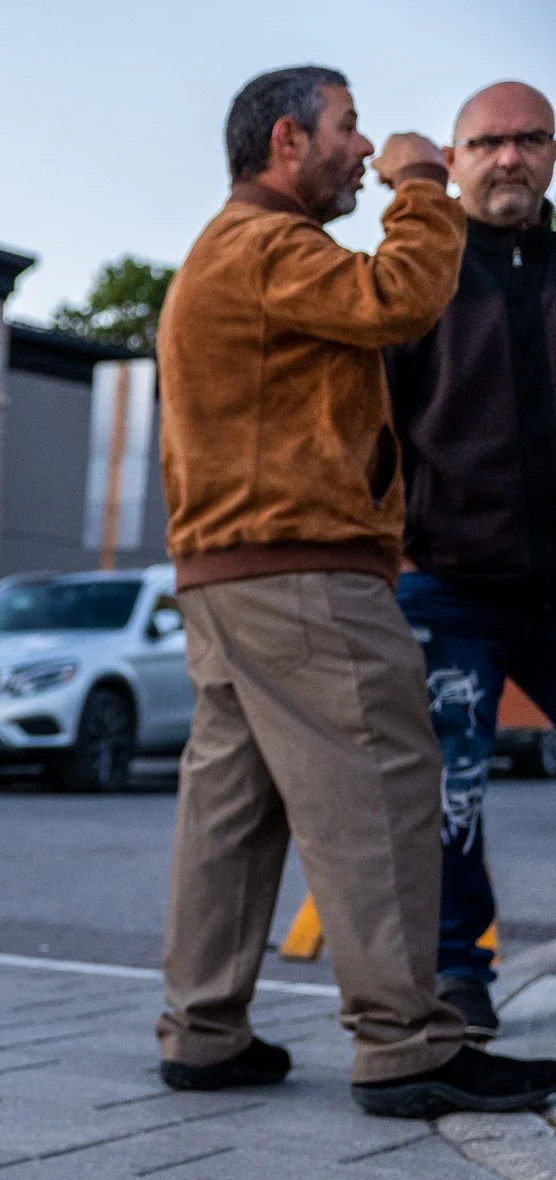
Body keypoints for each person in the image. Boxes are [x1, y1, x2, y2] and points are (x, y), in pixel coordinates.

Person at [156, 65, 556, 1118]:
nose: (363, 145)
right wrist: (421, 184)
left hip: (227, 569)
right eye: (347, 128)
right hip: (302, 567)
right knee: (381, 783)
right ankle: (407, 1043)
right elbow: (399, 297)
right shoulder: (269, 245)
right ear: (288, 141)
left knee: (232, 809)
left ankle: (203, 1030)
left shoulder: (222, 249)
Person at [385, 82, 556, 1043]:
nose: (509, 159)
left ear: (554, 152)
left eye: (529, 139)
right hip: (447, 582)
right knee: (453, 786)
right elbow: (376, 428)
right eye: (487, 143)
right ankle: (460, 971)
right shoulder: (420, 277)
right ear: (453, 162)